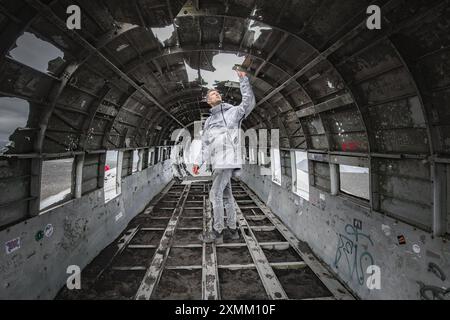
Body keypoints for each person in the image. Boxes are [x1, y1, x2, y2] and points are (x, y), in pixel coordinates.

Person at [193, 69, 256, 243]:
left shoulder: (233, 112)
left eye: (217, 92)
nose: (216, 94)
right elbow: (206, 144)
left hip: (227, 161)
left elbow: (248, 102)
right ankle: (233, 230)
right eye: (212, 94)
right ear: (208, 101)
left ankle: (218, 232)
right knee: (227, 196)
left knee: (215, 195)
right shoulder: (209, 121)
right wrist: (198, 161)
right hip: (218, 162)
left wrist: (243, 79)